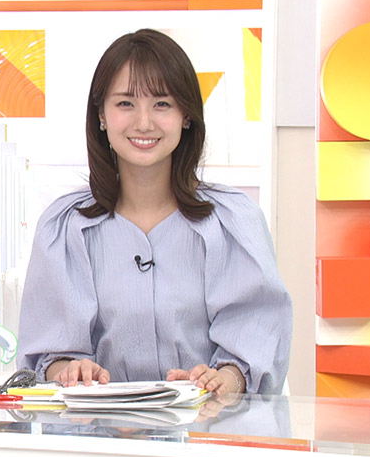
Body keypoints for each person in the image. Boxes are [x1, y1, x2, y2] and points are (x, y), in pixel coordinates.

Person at [17, 29, 292, 395]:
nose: (144, 123)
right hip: (97, 430)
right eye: (125, 103)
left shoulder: (233, 222)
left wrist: (225, 379)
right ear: (101, 115)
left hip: (208, 427)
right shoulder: (64, 228)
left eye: (162, 104)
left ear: (186, 115)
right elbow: (46, 358)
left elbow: (257, 343)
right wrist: (69, 370)